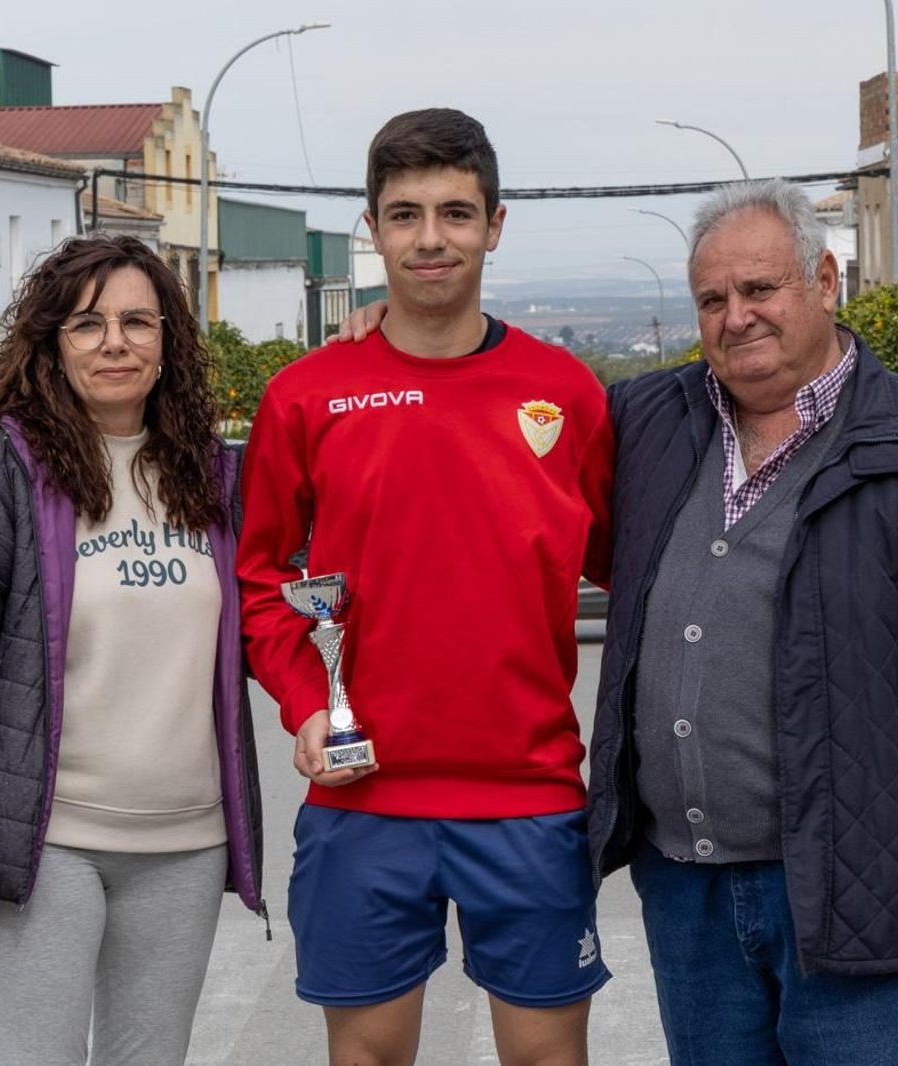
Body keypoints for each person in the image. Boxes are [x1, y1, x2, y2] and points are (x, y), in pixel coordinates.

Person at [586, 179, 898, 1065]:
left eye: (760, 290)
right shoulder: (649, 421)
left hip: (867, 887)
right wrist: (398, 335)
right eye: (712, 300)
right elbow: (508, 423)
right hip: (688, 894)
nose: (736, 317)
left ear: (826, 282)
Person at [237, 108, 614, 1066]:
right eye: (405, 215)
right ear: (372, 229)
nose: (430, 238)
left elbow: (633, 570)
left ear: (495, 223)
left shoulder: (568, 394)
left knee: (546, 1058)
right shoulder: (306, 395)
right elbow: (262, 579)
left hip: (528, 797)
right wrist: (302, 706)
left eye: (455, 212)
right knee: (366, 1057)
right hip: (363, 796)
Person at [0, 233, 264, 1066]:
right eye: (87, 323)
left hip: (185, 842)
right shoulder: (1, 469)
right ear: (50, 343)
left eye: (139, 322)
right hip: (44, 840)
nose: (115, 343)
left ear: (169, 343)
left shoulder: (217, 478)